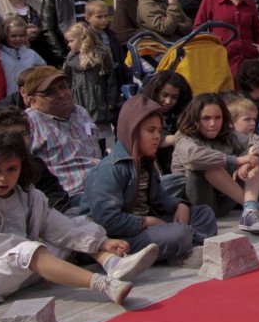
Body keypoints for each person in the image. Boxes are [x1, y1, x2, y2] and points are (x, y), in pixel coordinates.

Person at [0, 132, 160, 307]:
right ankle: (104, 284)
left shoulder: (29, 196)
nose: (3, 178)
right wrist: (34, 251)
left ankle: (112, 263)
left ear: (21, 167)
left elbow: (61, 228)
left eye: (11, 169)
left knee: (78, 223)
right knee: (31, 249)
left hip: (28, 269)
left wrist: (103, 242)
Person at [80, 95, 218, 268]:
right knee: (180, 233)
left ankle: (177, 249)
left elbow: (160, 198)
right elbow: (107, 220)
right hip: (119, 236)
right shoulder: (109, 168)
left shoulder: (145, 162)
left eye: (159, 131)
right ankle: (180, 247)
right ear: (132, 131)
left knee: (204, 214)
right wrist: (145, 222)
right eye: (150, 131)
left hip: (146, 225)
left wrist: (178, 205)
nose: (156, 137)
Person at [163, 93, 259, 234]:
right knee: (209, 163)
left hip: (226, 201)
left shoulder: (228, 135)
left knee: (255, 154)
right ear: (195, 118)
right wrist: (236, 160)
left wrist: (253, 159)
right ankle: (256, 208)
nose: (213, 124)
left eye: (217, 118)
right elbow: (193, 157)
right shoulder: (184, 137)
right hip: (198, 203)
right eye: (206, 118)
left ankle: (251, 209)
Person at [23, 66, 102, 206]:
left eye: (63, 87)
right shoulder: (28, 123)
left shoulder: (80, 112)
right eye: (50, 92)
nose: (61, 94)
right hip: (70, 197)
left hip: (104, 184)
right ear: (33, 101)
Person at [194, 0, 259, 83]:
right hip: (222, 61)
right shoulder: (211, 0)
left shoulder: (250, 3)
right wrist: (211, 50)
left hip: (248, 61)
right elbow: (198, 29)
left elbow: (258, 32)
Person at [63, 23, 119, 151]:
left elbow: (110, 78)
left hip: (97, 98)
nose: (69, 44)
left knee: (97, 129)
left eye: (71, 41)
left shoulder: (101, 54)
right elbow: (67, 79)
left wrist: (111, 99)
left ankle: (101, 152)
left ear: (82, 39)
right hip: (78, 98)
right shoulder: (71, 57)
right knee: (82, 128)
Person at [140, 70, 193, 174]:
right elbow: (140, 140)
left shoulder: (180, 113)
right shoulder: (143, 109)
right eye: (164, 95)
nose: (168, 101)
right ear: (156, 92)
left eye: (174, 97)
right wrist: (172, 139)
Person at [0, 15, 45, 95]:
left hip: (27, 98)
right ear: (5, 36)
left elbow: (44, 71)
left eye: (21, 35)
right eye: (13, 36)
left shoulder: (31, 54)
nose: (18, 39)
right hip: (5, 99)